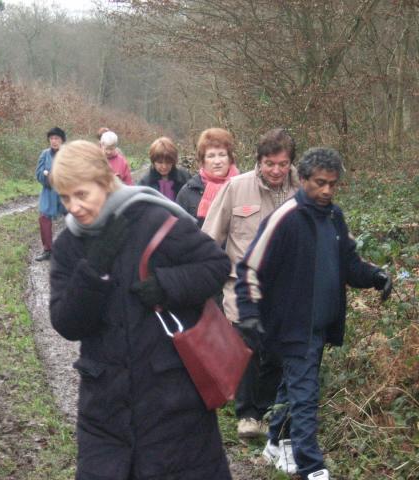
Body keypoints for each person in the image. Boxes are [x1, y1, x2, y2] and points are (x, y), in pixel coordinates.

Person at [49, 140, 232, 480]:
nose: (73, 207)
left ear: (105, 181)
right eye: (65, 198)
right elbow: (65, 323)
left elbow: (216, 266)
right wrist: (94, 272)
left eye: (81, 194)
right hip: (105, 408)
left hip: (172, 401)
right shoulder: (69, 246)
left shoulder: (154, 219)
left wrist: (167, 285)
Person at [235, 148, 393, 480]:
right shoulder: (286, 218)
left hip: (320, 325)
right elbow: (249, 268)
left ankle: (275, 445)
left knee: (293, 387)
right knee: (305, 395)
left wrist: (376, 276)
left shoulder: (334, 218)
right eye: (320, 183)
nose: (326, 191)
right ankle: (311, 467)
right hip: (291, 324)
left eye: (332, 184)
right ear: (303, 179)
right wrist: (249, 314)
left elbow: (350, 263)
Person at [202, 127, 298, 439]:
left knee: (276, 352)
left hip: (286, 288)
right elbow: (209, 236)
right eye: (270, 163)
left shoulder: (302, 188)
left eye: (283, 164)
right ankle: (247, 414)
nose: (276, 170)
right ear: (258, 161)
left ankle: (270, 409)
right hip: (242, 287)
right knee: (247, 347)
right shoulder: (236, 188)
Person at [176, 127, 240, 227]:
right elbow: (179, 232)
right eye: (211, 156)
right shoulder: (187, 192)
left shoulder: (244, 186)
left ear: (230, 158)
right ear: (203, 161)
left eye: (222, 155)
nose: (217, 161)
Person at [35, 127, 67, 261]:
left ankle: (71, 250)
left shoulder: (68, 154)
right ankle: (48, 250)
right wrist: (48, 178)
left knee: (73, 218)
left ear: (62, 140)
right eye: (52, 138)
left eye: (57, 138)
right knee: (44, 218)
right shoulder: (44, 154)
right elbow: (38, 173)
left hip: (65, 193)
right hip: (48, 192)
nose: (54, 141)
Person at [137, 136, 191, 201]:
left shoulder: (184, 177)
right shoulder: (145, 182)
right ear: (153, 162)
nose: (164, 166)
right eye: (160, 162)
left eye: (168, 162)